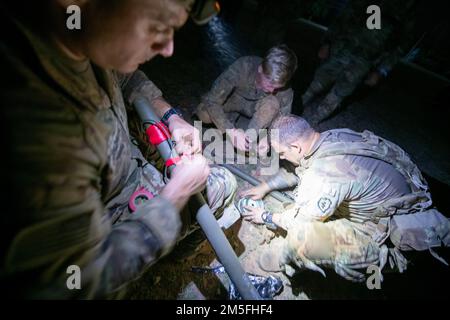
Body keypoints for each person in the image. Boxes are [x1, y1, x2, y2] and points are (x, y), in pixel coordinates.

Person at [0, 0, 237, 299]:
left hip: (125, 162)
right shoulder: (42, 128)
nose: (168, 49)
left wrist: (171, 117)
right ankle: (167, 253)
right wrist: (175, 194)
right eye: (159, 27)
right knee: (224, 183)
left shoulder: (73, 34)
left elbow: (125, 75)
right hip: (113, 220)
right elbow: (75, 283)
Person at [241, 115, 449, 282]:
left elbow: (299, 223)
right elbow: (301, 169)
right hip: (399, 206)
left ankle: (283, 265)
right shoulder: (332, 137)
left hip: (395, 240)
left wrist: (266, 216)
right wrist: (265, 186)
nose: (282, 158)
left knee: (303, 236)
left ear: (296, 147)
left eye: (283, 153)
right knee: (296, 205)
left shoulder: (325, 173)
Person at [302, 0, 416, 125]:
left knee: (337, 95)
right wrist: (327, 42)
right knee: (314, 84)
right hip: (341, 50)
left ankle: (311, 123)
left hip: (364, 62)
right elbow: (343, 18)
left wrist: (380, 71)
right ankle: (291, 111)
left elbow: (398, 49)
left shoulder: (404, 14)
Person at [196, 44, 298, 151]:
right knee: (204, 114)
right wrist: (230, 130)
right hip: (231, 103)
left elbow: (283, 124)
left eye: (277, 88)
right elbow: (212, 100)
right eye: (270, 85)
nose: (272, 91)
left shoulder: (286, 90)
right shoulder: (244, 66)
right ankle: (232, 126)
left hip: (255, 117)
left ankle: (248, 141)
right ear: (260, 69)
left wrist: (268, 140)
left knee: (272, 103)